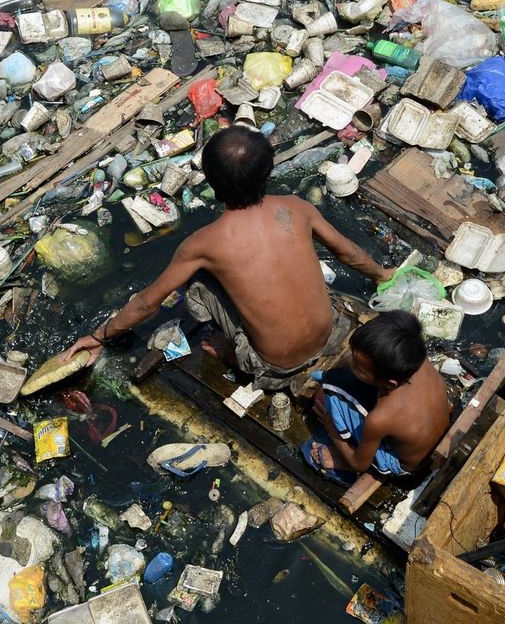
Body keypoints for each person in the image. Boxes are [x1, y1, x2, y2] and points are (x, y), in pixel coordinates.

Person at [62, 125, 390, 387]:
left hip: (275, 367)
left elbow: (148, 303)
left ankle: (235, 353)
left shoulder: (203, 244)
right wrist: (382, 276)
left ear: (215, 184)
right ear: (267, 172)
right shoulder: (297, 207)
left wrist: (99, 336)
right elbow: (349, 252)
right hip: (331, 333)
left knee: (198, 283)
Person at [303, 310, 452, 482]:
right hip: (426, 437)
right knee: (341, 379)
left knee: (329, 392)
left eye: (358, 367)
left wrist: (332, 429)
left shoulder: (380, 418)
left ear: (389, 384)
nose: (350, 363)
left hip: (402, 464)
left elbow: (360, 464)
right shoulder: (415, 359)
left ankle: (341, 459)